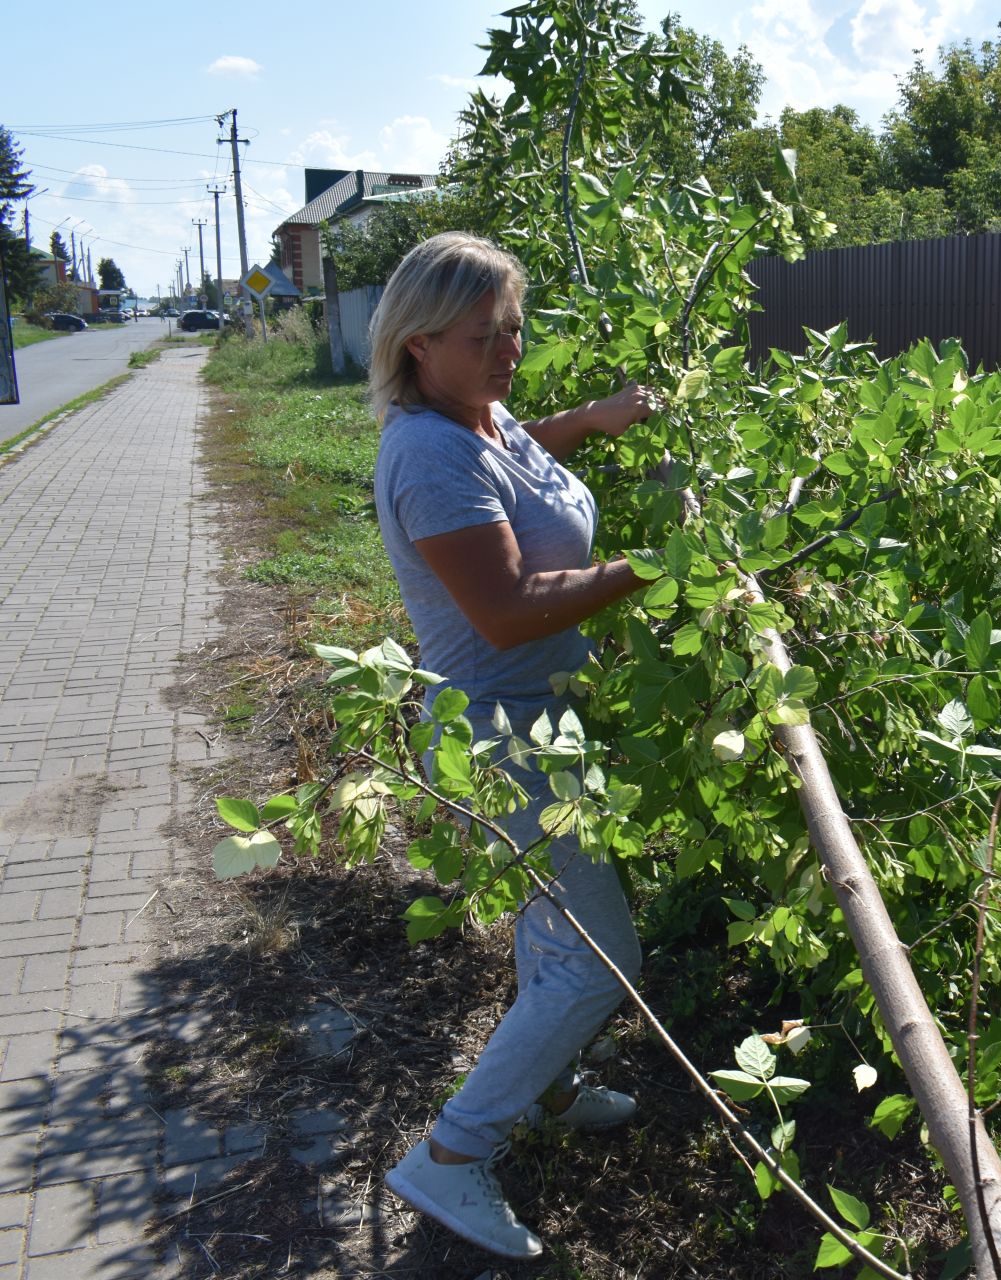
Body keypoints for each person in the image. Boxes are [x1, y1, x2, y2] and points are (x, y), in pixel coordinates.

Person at [367, 231, 664, 1259]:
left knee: (556, 926)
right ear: (417, 344)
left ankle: (550, 1084)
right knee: (600, 958)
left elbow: (512, 456)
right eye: (485, 334)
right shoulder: (426, 451)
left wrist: (588, 421)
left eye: (515, 328)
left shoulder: (476, 418)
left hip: (540, 716)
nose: (510, 350)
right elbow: (505, 606)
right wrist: (656, 566)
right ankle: (451, 1155)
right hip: (499, 731)